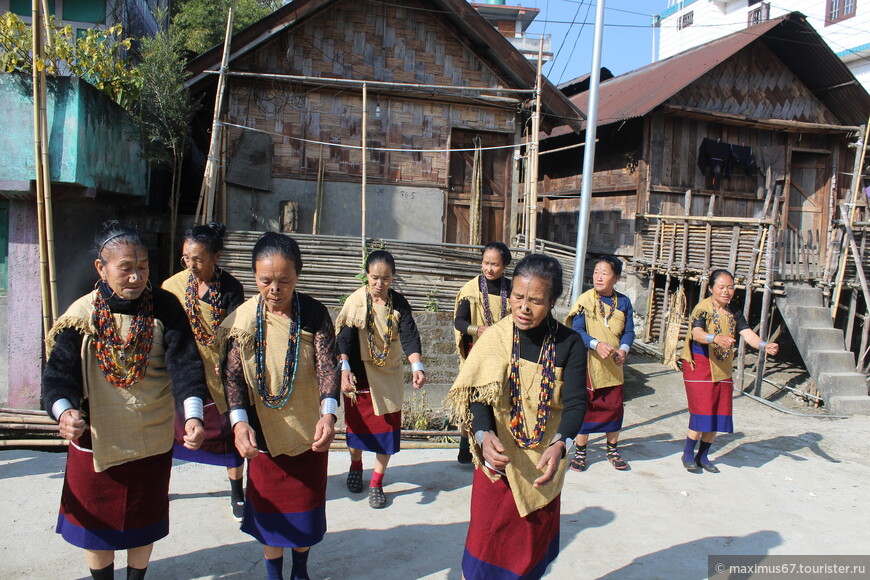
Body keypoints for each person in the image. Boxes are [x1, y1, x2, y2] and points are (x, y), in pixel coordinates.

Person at [41, 221, 208, 580]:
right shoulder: (81, 315)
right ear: (101, 268)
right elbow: (57, 377)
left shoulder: (165, 307)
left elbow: (186, 364)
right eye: (126, 268)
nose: (136, 277)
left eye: (143, 267)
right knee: (97, 524)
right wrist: (65, 412)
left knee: (142, 519)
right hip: (97, 439)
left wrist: (193, 416)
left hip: (151, 435)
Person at [448, 253, 587, 580]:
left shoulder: (570, 344)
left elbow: (577, 403)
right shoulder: (496, 337)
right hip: (497, 465)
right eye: (519, 297)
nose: (524, 307)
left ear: (553, 300)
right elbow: (477, 394)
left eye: (536, 300)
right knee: (484, 551)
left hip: (542, 466)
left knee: (527, 557)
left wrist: (560, 445)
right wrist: (483, 435)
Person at [222, 232, 339, 580]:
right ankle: (274, 573)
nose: (274, 289)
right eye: (265, 280)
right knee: (270, 515)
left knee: (302, 511)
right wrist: (239, 423)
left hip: (308, 432)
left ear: (297, 276)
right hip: (264, 437)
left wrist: (328, 414)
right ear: (254, 277)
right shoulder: (242, 321)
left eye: (284, 280)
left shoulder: (314, 313)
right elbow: (232, 376)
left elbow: (327, 365)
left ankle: (300, 570)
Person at [162, 221, 247, 520]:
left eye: (198, 259)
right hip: (183, 373)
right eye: (187, 258)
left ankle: (237, 490)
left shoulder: (231, 289)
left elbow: (236, 332)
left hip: (218, 373)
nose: (191, 265)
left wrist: (227, 364)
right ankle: (162, 488)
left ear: (216, 257)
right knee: (172, 435)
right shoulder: (171, 287)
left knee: (230, 436)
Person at [335, 249, 426, 509]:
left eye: (385, 278)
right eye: (375, 278)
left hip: (388, 377)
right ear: (366, 276)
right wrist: (343, 369)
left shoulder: (399, 304)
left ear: (393, 278)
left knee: (386, 432)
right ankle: (356, 466)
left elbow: (410, 335)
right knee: (357, 430)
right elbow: (343, 339)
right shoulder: (355, 302)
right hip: (359, 377)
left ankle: (376, 481)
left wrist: (416, 366)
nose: (379, 284)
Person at [680, 269, 779, 473]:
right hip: (699, 363)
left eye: (730, 287)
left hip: (722, 365)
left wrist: (764, 345)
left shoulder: (734, 311)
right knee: (702, 411)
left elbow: (748, 334)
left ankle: (703, 455)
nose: (726, 291)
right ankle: (688, 453)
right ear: (711, 288)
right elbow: (697, 333)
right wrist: (715, 338)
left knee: (718, 412)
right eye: (721, 287)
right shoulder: (703, 308)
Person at [564, 255, 635, 471]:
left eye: (605, 273)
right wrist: (596, 344)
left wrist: (623, 350)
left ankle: (612, 448)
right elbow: (576, 331)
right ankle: (581, 452)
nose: (598, 277)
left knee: (614, 408)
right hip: (588, 364)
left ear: (616, 278)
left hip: (613, 366)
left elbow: (629, 331)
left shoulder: (623, 302)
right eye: (596, 272)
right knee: (588, 407)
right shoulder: (585, 300)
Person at [453, 241, 512, 464]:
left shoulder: (512, 289)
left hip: (503, 356)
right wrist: (478, 329)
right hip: (475, 355)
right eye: (485, 263)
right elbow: (460, 322)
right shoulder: (471, 289)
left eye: (494, 264)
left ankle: (497, 444)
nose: (489, 268)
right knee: (471, 401)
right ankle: (465, 446)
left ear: (504, 265)